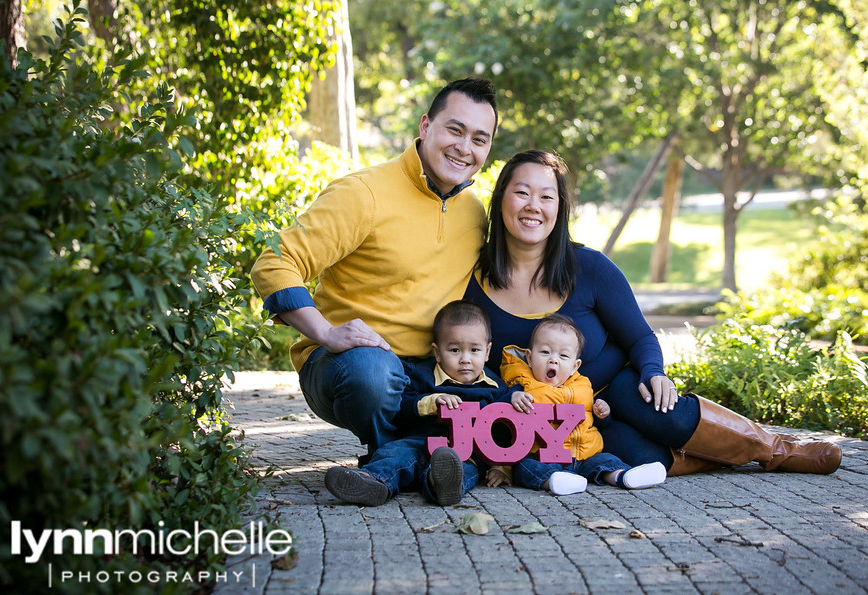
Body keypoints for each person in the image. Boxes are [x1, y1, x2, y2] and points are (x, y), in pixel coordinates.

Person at [465, 149, 842, 476]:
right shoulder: (473, 279)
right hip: (558, 423)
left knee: (664, 412)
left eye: (547, 196)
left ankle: (778, 450)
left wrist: (653, 371)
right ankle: (720, 455)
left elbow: (641, 337)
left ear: (559, 208)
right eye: (521, 192)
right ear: (501, 200)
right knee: (640, 456)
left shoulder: (590, 268)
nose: (534, 205)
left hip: (615, 388)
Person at [250, 79, 498, 459]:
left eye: (480, 140)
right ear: (425, 126)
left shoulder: (473, 212)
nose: (465, 148)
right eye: (455, 129)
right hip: (352, 366)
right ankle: (407, 453)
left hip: (431, 372)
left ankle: (403, 462)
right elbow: (275, 261)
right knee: (373, 373)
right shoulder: (363, 193)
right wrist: (325, 332)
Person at [324, 300, 517, 506]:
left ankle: (441, 484)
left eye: (474, 350)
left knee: (462, 468)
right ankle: (372, 482)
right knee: (394, 453)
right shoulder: (422, 376)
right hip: (419, 442)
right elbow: (400, 409)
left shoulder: (495, 387)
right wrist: (430, 403)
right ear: (437, 352)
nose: (465, 359)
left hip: (464, 452)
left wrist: (501, 466)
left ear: (487, 352)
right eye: (454, 350)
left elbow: (504, 430)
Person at [502, 314, 667, 495]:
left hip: (585, 455)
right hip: (543, 456)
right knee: (525, 467)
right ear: (529, 357)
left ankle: (624, 476)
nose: (553, 360)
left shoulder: (583, 387)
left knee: (606, 461)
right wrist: (514, 397)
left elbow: (593, 419)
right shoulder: (525, 384)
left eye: (563, 355)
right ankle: (553, 481)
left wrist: (602, 414)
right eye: (545, 352)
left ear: (575, 366)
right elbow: (501, 409)